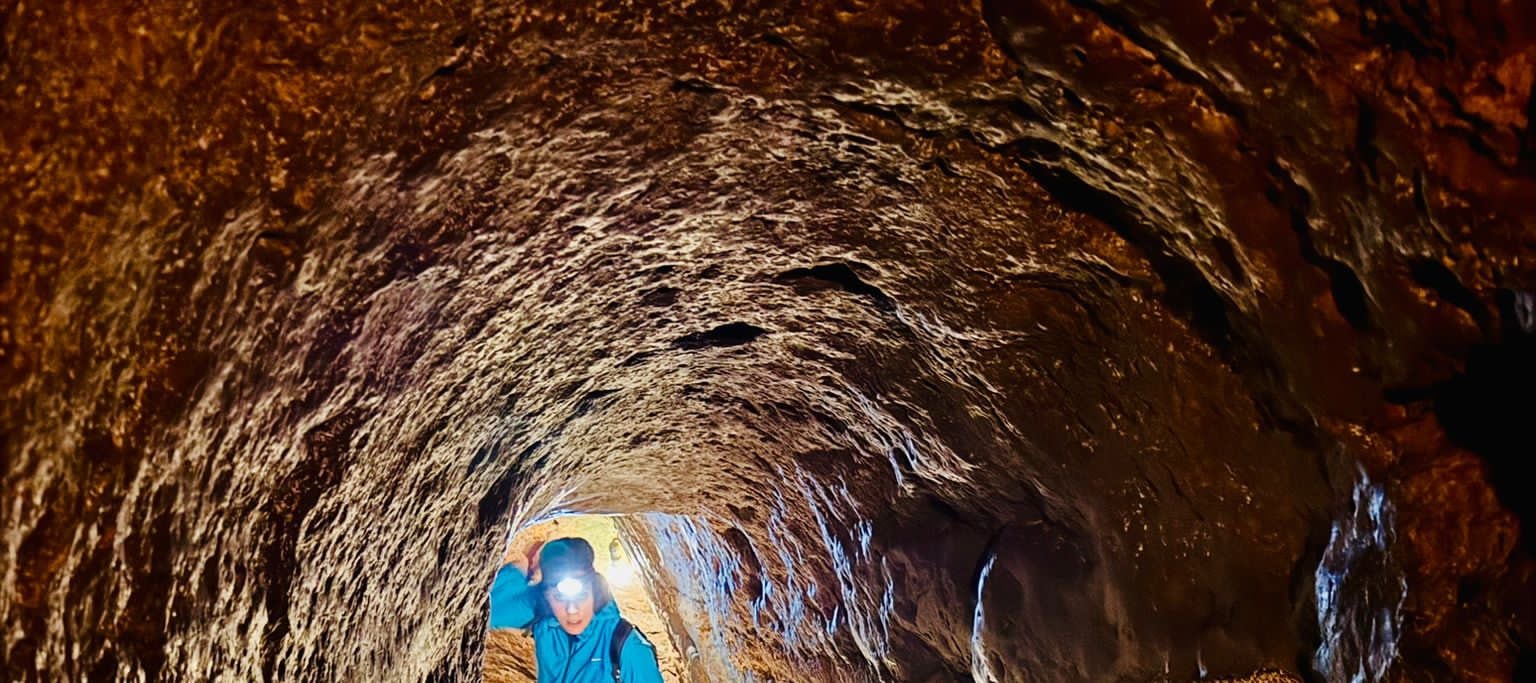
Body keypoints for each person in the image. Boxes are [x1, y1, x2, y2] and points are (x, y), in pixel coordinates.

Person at [489, 537, 665, 683]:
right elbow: (487, 610)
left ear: (594, 589)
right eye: (559, 597)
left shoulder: (625, 646)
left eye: (580, 595)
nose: (571, 610)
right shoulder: (547, 623)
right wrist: (522, 567)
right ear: (547, 596)